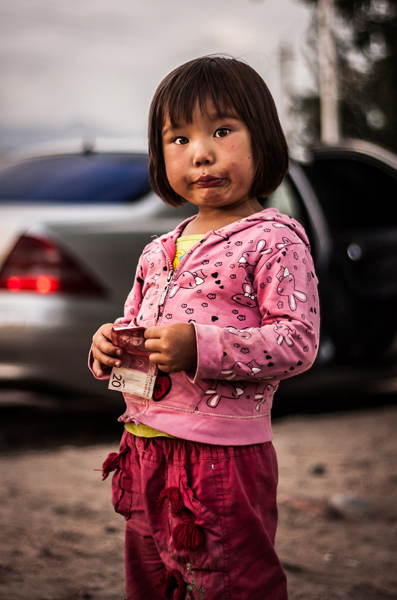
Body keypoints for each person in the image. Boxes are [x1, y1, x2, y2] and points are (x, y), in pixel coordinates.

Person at [90, 55, 320, 600]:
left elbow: (297, 342)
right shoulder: (158, 249)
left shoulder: (274, 239)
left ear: (260, 136)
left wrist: (201, 347)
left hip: (222, 456)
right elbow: (137, 327)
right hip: (143, 445)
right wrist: (108, 346)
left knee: (231, 583)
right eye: (179, 139)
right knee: (151, 580)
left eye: (222, 130)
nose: (202, 153)